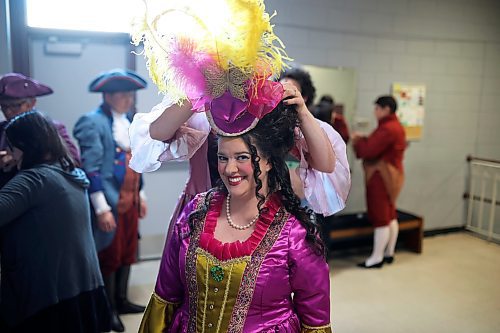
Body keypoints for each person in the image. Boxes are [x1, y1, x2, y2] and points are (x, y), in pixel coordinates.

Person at [139, 101, 331, 332]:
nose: (230, 169)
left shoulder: (293, 235)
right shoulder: (194, 214)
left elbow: (315, 317)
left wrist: (301, 108)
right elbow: (166, 294)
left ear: (268, 161)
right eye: (223, 158)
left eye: (242, 157)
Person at [0, 111, 110, 333]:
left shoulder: (33, 180)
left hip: (48, 298)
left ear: (25, 145)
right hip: (84, 287)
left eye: (12, 147)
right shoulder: (70, 172)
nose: (10, 154)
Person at [73, 69, 148, 332]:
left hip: (129, 199)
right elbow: (90, 169)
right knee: (109, 254)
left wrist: (140, 193)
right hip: (108, 202)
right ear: (108, 96)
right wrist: (101, 208)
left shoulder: (129, 119)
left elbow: (135, 162)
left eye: (130, 94)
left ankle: (122, 300)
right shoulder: (91, 122)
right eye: (123, 95)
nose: (129, 99)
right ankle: (109, 311)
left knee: (127, 251)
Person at [352, 95, 406, 268]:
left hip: (382, 176)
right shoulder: (396, 126)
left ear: (386, 109)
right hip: (394, 174)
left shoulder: (387, 128)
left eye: (377, 108)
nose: (374, 112)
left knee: (380, 216)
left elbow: (368, 151)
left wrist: (358, 140)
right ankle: (389, 253)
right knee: (390, 213)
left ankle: (376, 258)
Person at [0, 73, 81, 187]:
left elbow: (72, 163)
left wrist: (22, 159)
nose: (8, 112)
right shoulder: (1, 129)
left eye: (15, 106)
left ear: (32, 103)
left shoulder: (52, 129)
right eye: (4, 106)